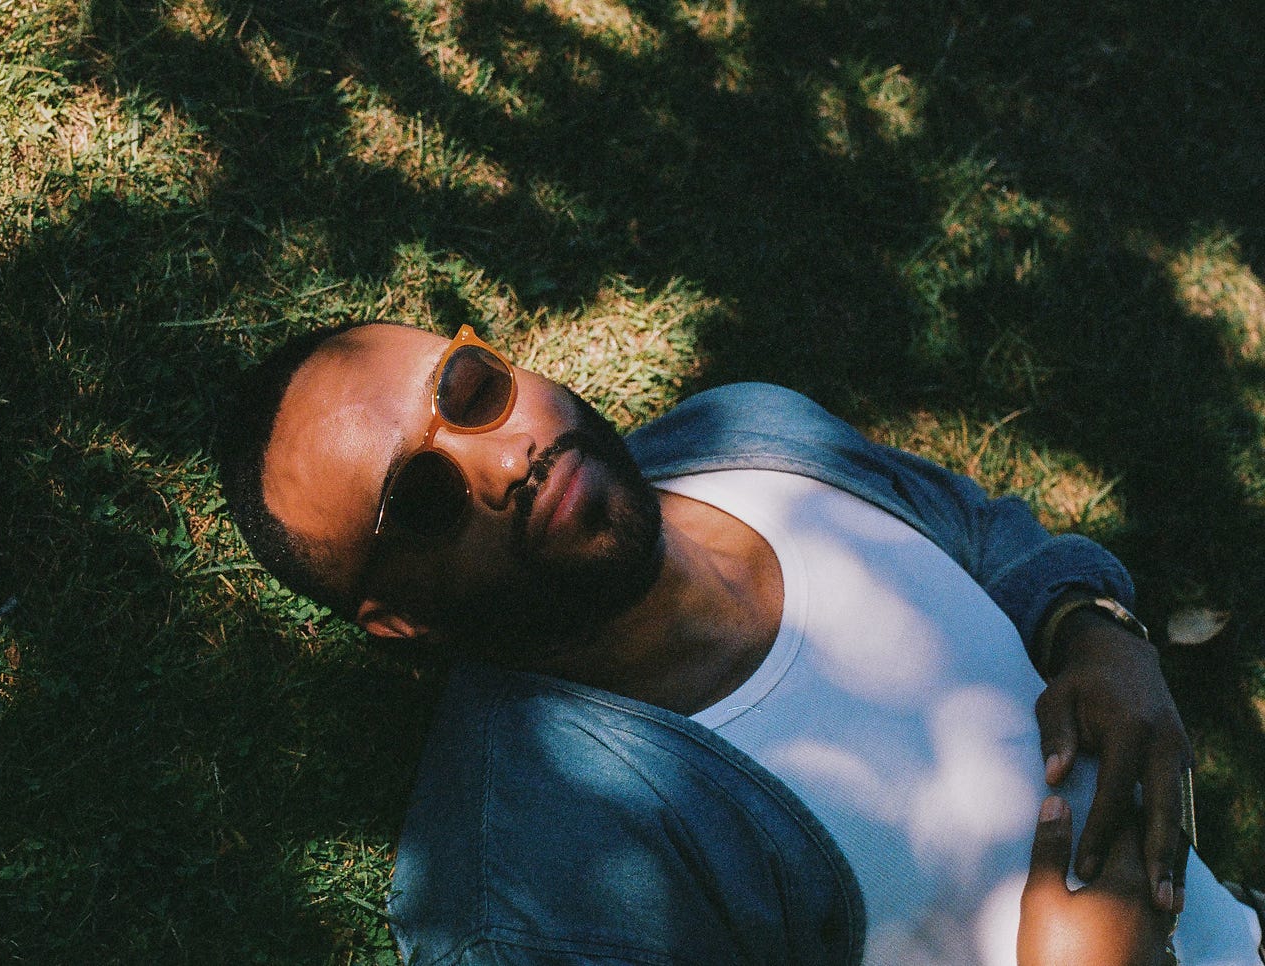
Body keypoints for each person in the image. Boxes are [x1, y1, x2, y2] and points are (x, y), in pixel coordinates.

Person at [218, 321, 1265, 965]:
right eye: (424, 496)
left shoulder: (751, 435)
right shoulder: (540, 896)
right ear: (404, 623)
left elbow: (984, 531)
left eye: (468, 390)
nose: (504, 461)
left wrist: (1099, 631)